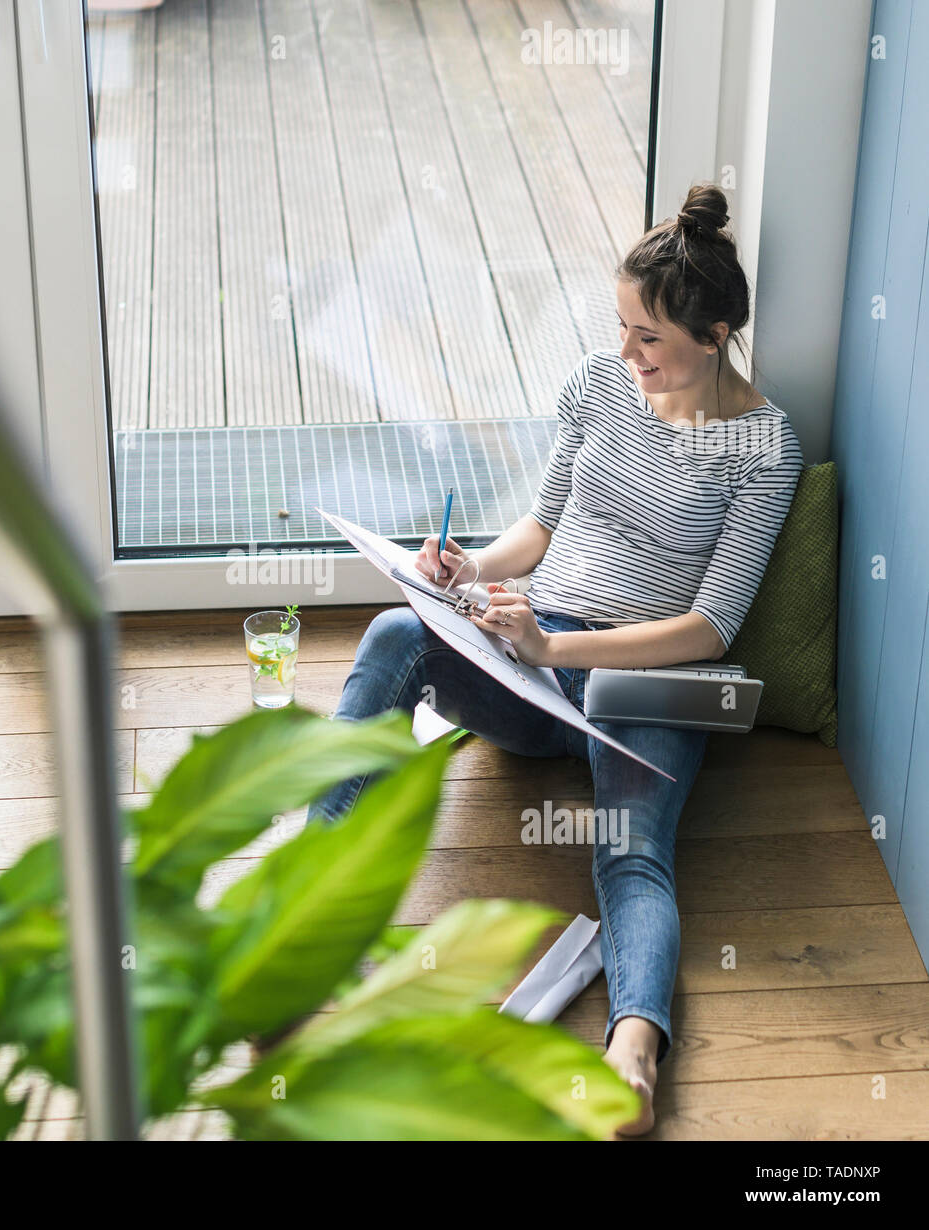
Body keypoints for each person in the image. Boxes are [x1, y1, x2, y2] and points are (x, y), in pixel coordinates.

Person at [308, 183, 804, 1137]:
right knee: (393, 632)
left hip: (649, 681)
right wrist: (466, 570)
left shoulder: (764, 448)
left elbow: (711, 629)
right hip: (537, 660)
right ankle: (300, 891)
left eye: (650, 340)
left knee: (632, 858)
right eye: (622, 330)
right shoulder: (598, 384)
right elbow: (539, 528)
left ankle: (633, 1055)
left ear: (716, 335)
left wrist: (555, 643)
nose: (629, 357)